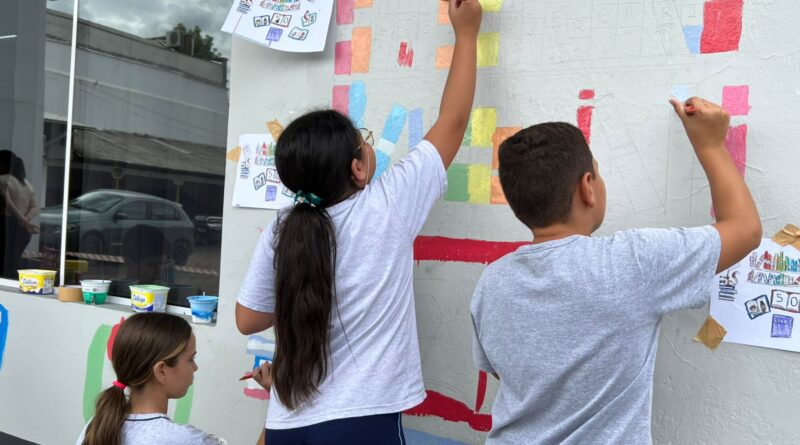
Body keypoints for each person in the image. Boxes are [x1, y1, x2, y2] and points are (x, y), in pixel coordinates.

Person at [235, 0, 482, 442]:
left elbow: (248, 319)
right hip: (361, 424)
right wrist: (467, 34)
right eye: (364, 142)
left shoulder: (284, 226)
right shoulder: (388, 204)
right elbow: (454, 120)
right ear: (358, 168)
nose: (369, 147)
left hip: (287, 424)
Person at [470, 97, 761, 444]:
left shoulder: (492, 281)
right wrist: (710, 143)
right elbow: (746, 230)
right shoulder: (632, 262)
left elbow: (508, 373)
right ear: (587, 187)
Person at [76, 312, 225, 445]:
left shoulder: (96, 425)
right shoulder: (186, 439)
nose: (195, 367)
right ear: (161, 371)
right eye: (191, 359)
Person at [0, 150, 40, 275]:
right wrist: (26, 220)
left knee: (3, 260)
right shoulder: (27, 184)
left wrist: (21, 219)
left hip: (5, 224)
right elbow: (36, 206)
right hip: (22, 229)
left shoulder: (3, 180)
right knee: (14, 260)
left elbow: (7, 202)